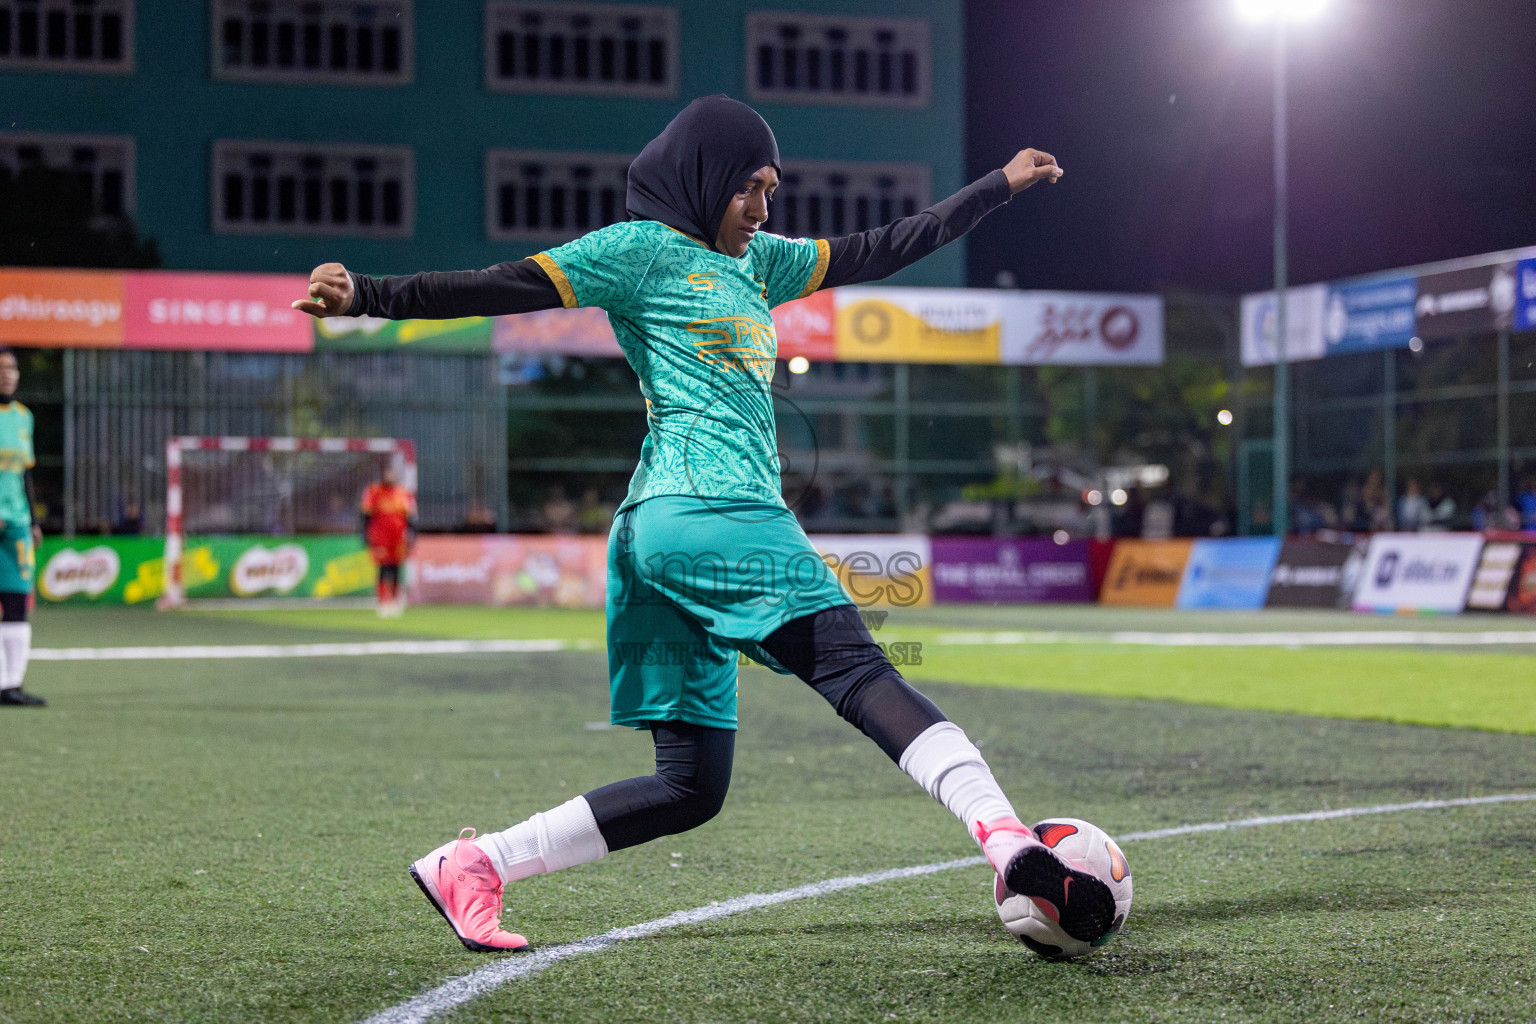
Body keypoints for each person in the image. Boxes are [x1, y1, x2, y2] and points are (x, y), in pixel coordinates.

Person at [293, 96, 1116, 954]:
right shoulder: (638, 250)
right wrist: (370, 294)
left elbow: (882, 246)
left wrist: (998, 187)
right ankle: (1010, 841)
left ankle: (477, 864)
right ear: (702, 181)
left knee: (690, 785)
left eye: (771, 189)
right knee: (858, 666)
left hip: (658, 536)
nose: (761, 209)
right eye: (747, 190)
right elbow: (506, 285)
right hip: (713, 514)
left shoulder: (759, 262)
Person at [0, 348, 42, 707]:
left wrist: (35, 521)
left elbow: (25, 472)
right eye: (1, 369)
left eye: (11, 368)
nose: (7, 374)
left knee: (16, 601)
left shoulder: (23, 418)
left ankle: (10, 685)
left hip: (16, 524)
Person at [359, 465, 416, 618]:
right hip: (380, 538)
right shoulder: (374, 492)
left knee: (396, 567)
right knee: (383, 568)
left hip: (398, 538)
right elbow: (365, 516)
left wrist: (412, 535)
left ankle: (396, 601)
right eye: (387, 473)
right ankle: (383, 601)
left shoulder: (403, 493)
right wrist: (364, 535)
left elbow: (410, 518)